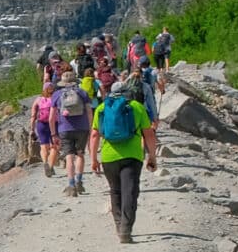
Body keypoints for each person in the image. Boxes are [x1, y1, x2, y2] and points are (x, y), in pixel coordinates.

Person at [90, 75, 159, 243]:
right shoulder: (136, 107)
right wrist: (152, 156)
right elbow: (148, 133)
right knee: (130, 192)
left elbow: (94, 135)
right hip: (132, 156)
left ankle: (119, 224)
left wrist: (93, 159)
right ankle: (126, 230)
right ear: (128, 93)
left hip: (108, 157)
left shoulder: (101, 108)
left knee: (115, 191)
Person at [52, 72, 92, 195]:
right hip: (82, 128)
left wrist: (53, 133)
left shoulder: (57, 94)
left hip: (64, 129)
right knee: (80, 154)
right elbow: (89, 112)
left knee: (69, 156)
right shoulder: (82, 93)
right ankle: (79, 182)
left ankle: (71, 185)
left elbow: (51, 117)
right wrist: (90, 128)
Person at [32, 78, 59, 176]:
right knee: (54, 146)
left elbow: (33, 115)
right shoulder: (55, 98)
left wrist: (32, 128)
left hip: (41, 124)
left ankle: (45, 163)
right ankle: (51, 167)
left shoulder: (38, 99)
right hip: (54, 124)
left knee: (43, 146)